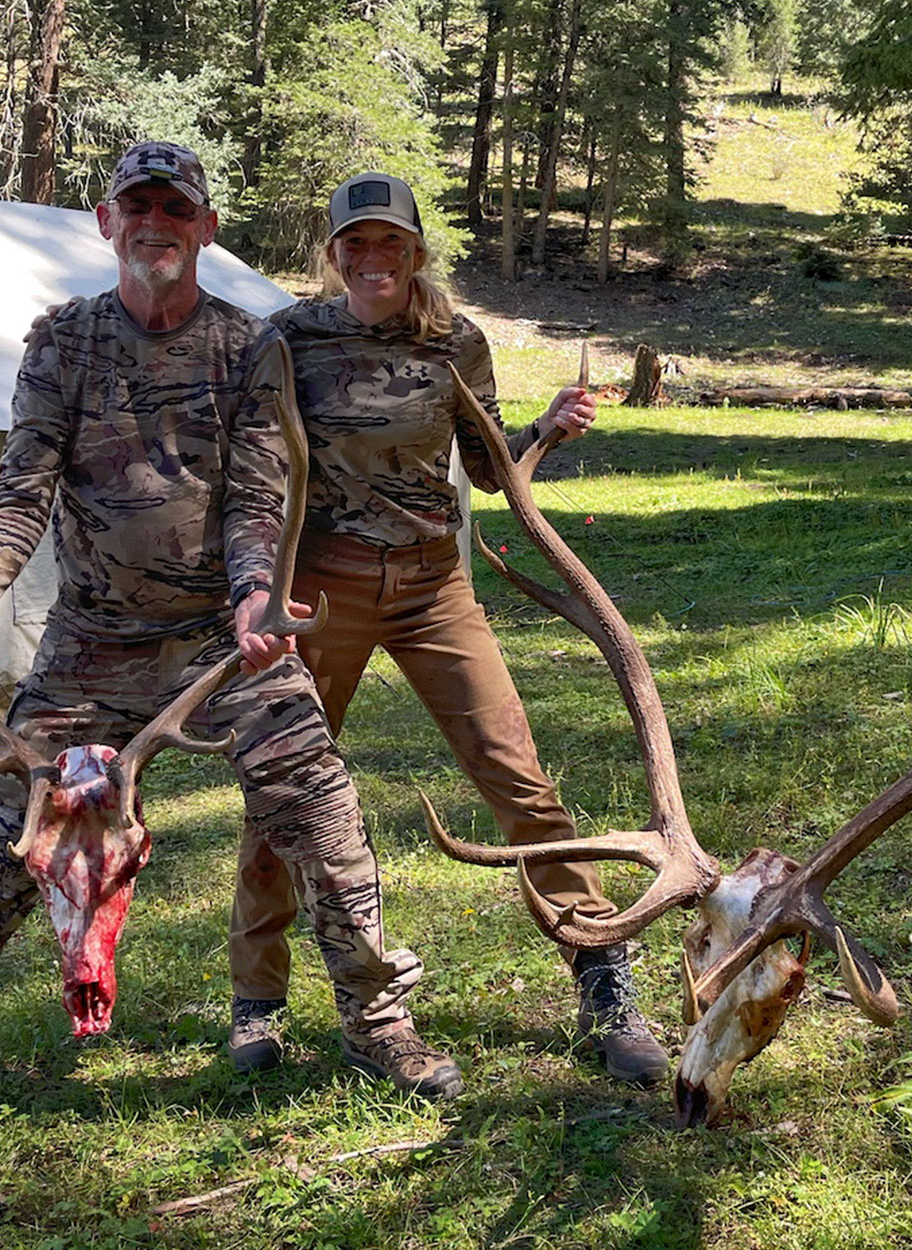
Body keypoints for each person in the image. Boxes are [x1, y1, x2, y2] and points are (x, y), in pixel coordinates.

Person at [0, 144, 462, 1165]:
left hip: (224, 645)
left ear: (204, 229)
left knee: (321, 808)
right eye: (138, 207)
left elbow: (263, 492)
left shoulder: (243, 344)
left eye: (176, 209)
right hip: (89, 644)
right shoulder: (62, 343)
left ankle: (378, 1023)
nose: (156, 224)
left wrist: (255, 593)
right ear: (106, 221)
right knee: (6, 847)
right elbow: (21, 492)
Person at [225, 172, 671, 1086]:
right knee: (283, 791)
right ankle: (257, 1002)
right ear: (334, 251)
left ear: (417, 250)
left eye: (391, 242)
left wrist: (547, 428)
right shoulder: (291, 337)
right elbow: (259, 466)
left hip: (435, 586)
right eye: (357, 242)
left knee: (521, 780)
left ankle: (603, 982)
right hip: (322, 589)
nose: (373, 258)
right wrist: (258, 584)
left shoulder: (455, 342)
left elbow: (487, 462)